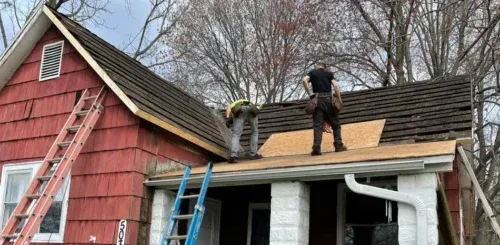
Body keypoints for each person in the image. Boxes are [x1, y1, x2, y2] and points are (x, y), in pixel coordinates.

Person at [303, 63, 347, 155]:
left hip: (317, 100)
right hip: (329, 100)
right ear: (324, 67)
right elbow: (336, 86)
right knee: (336, 124)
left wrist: (310, 94)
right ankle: (338, 146)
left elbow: (304, 80)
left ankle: (316, 148)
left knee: (318, 126)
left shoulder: (312, 72)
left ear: (317, 66)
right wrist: (339, 99)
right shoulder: (329, 73)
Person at [225, 99, 263, 163]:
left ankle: (234, 156)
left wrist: (227, 117)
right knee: (255, 132)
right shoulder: (246, 101)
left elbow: (229, 107)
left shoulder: (234, 104)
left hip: (240, 111)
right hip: (251, 110)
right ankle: (253, 154)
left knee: (236, 135)